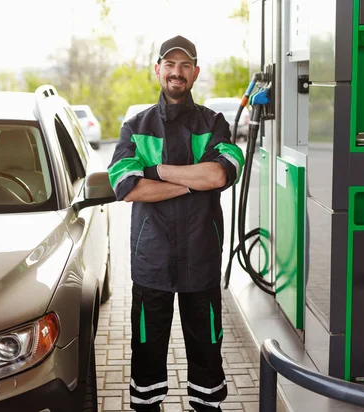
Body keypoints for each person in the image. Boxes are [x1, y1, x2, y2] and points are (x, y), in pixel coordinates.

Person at [107, 35, 245, 412]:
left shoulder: (214, 122)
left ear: (196, 73)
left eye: (185, 65)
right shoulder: (135, 126)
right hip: (151, 261)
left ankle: (207, 405)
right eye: (170, 64)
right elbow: (127, 187)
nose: (177, 72)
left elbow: (219, 175)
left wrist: (159, 172)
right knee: (147, 352)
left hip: (200, 260)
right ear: (158, 70)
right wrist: (191, 183)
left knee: (206, 351)